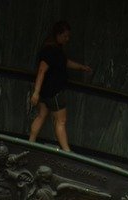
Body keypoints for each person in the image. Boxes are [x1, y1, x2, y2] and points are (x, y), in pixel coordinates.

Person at [28, 21, 91, 153]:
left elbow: (64, 62)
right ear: (58, 34)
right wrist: (36, 92)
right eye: (65, 36)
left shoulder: (55, 49)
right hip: (53, 91)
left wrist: (81, 67)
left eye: (68, 36)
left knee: (41, 115)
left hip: (46, 91)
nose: (67, 39)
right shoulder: (50, 50)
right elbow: (41, 70)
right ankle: (66, 151)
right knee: (61, 121)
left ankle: (30, 142)